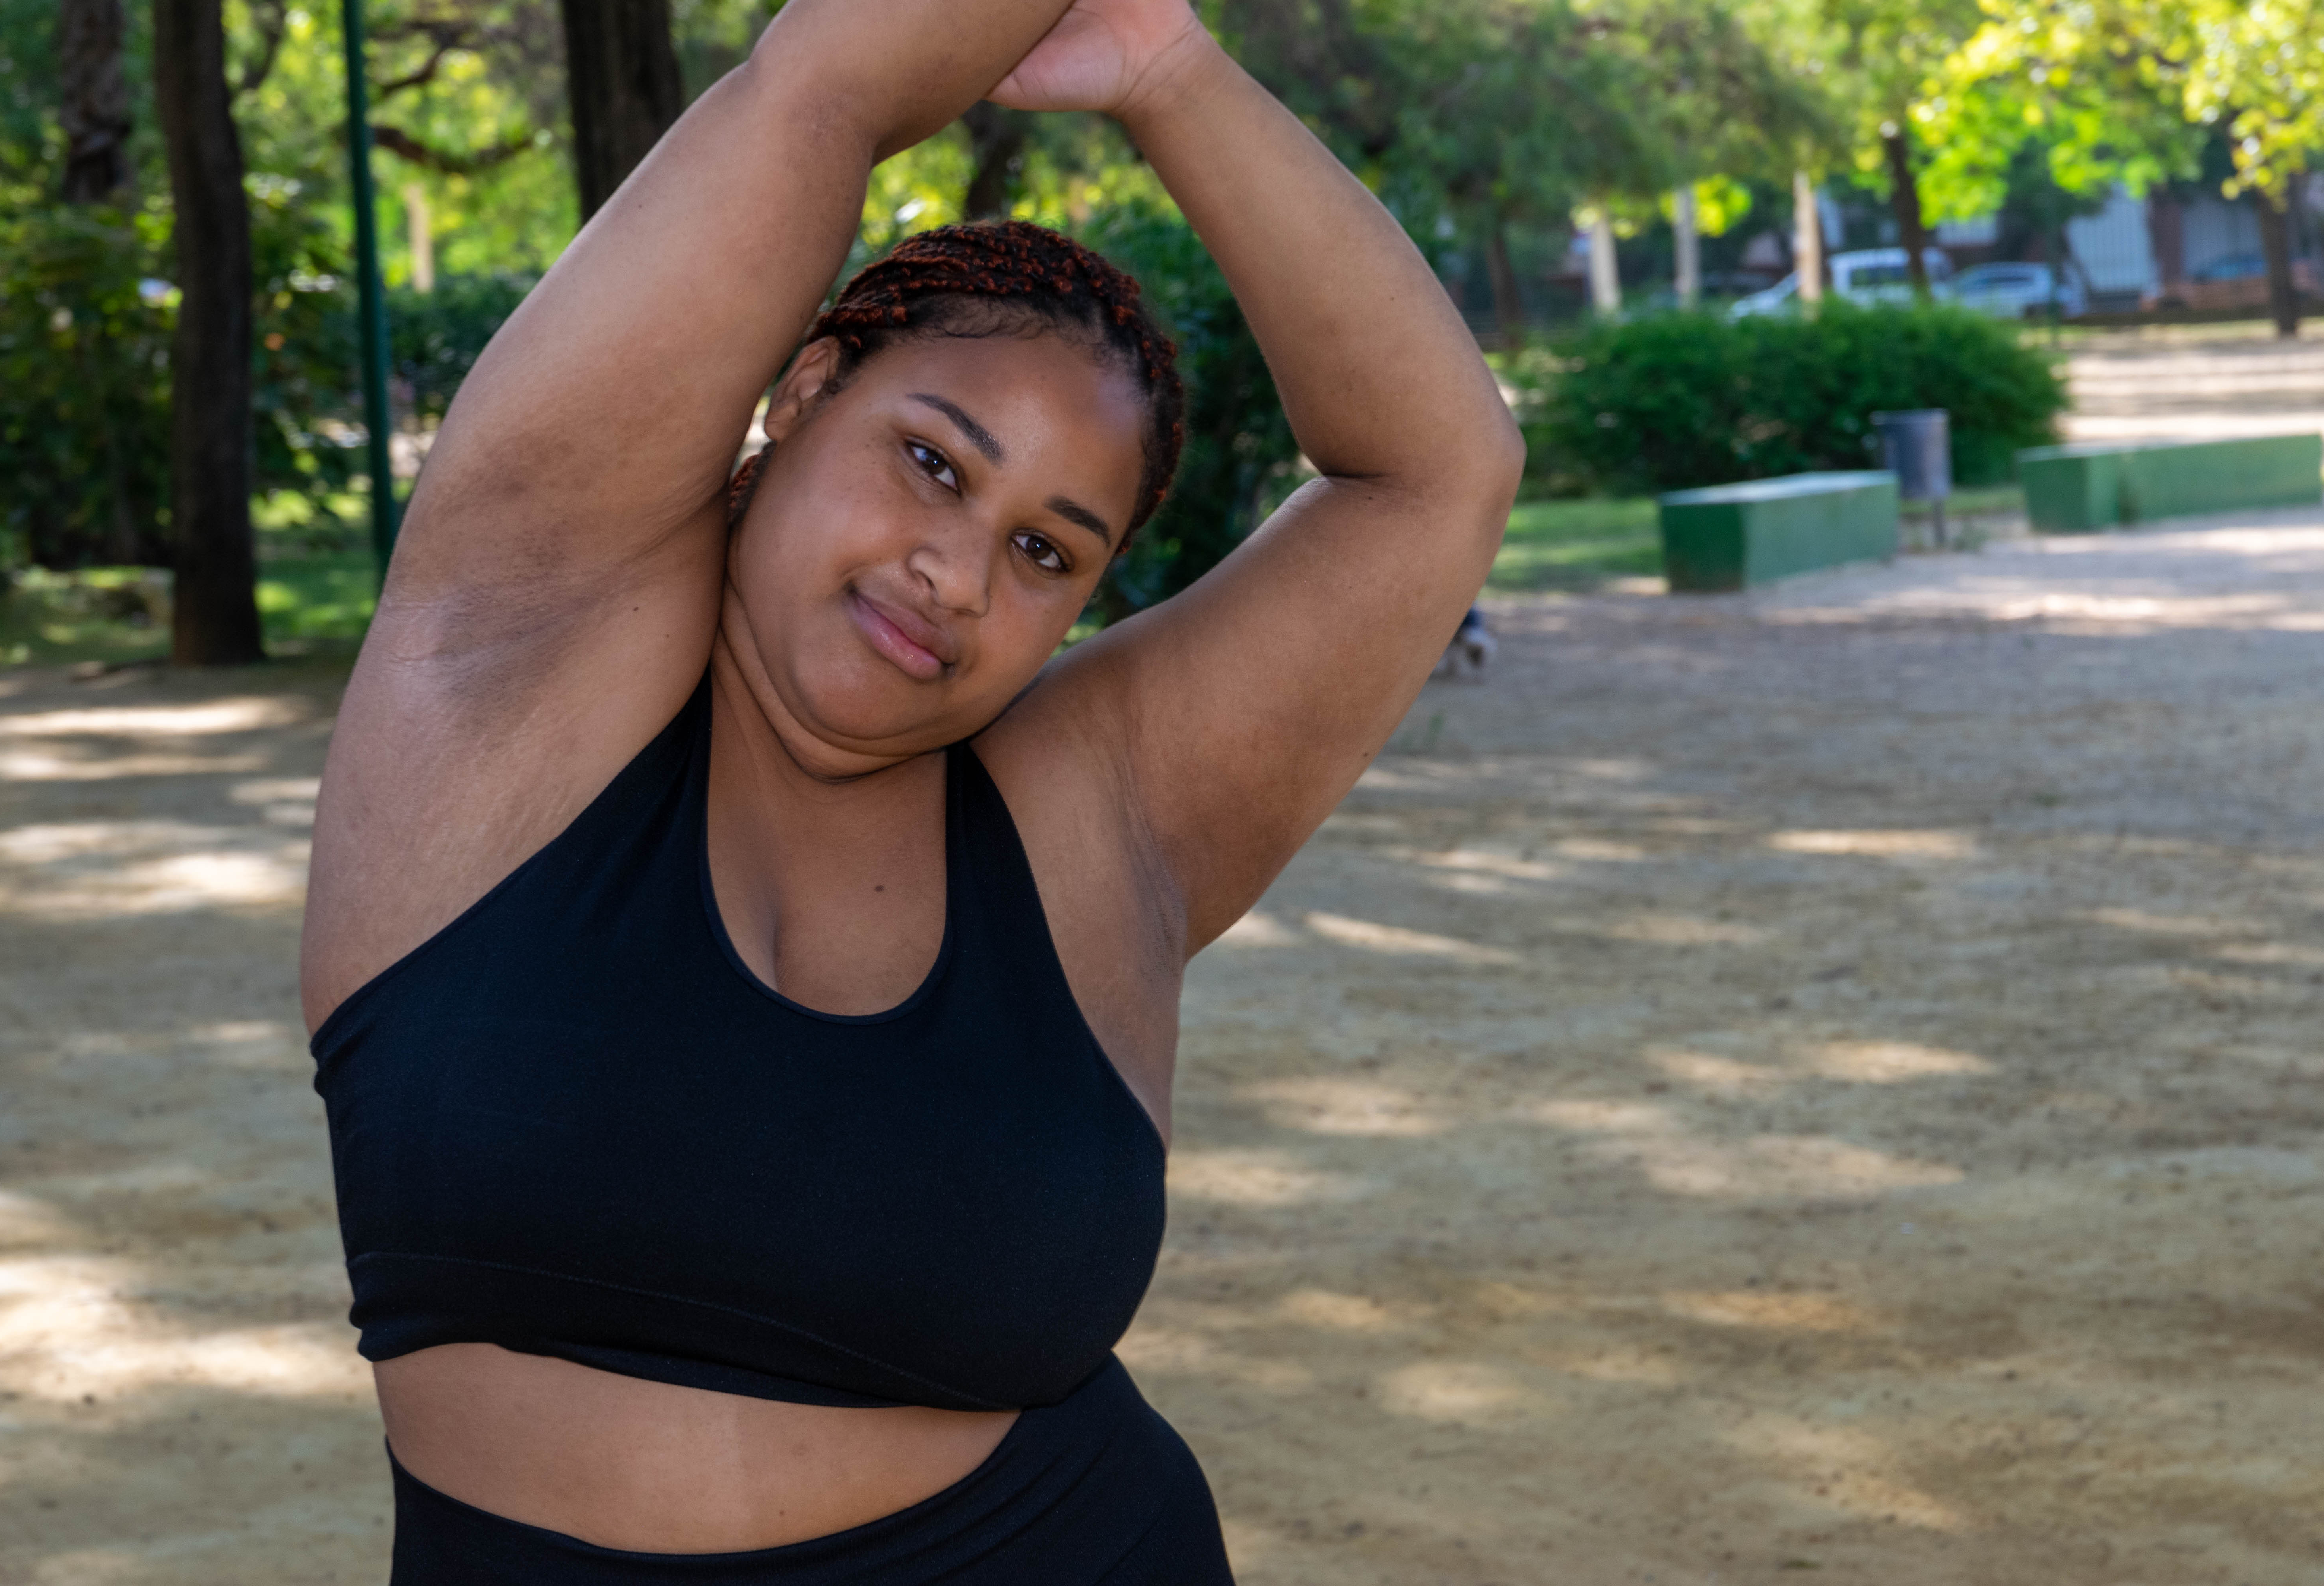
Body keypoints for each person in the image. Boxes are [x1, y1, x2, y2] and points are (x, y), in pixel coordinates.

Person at [299, 0, 1522, 1576]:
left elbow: (1439, 471)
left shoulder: (1102, 818)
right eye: (933, 462)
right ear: (801, 395)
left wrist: (1171, 74)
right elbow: (826, 86)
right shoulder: (512, 672)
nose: (955, 572)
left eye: (1045, 550)